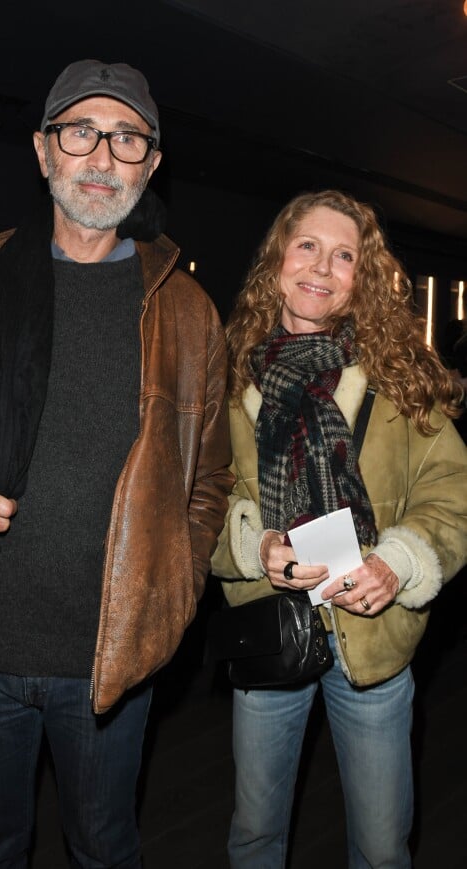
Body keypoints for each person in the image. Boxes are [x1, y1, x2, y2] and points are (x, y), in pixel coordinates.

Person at [0, 59, 233, 868]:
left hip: (111, 662)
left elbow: (209, 478)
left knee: (106, 849)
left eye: (127, 139)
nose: (103, 156)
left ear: (150, 165)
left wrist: (175, 589)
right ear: (44, 152)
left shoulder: (188, 312)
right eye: (81, 133)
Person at [211, 189, 467, 868]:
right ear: (276, 259)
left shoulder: (398, 377)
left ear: (362, 280)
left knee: (383, 848)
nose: (322, 267)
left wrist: (397, 563)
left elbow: (452, 491)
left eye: (344, 255)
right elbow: (202, 497)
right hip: (273, 629)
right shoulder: (231, 376)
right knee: (256, 834)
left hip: (374, 645)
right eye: (307, 246)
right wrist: (254, 543)